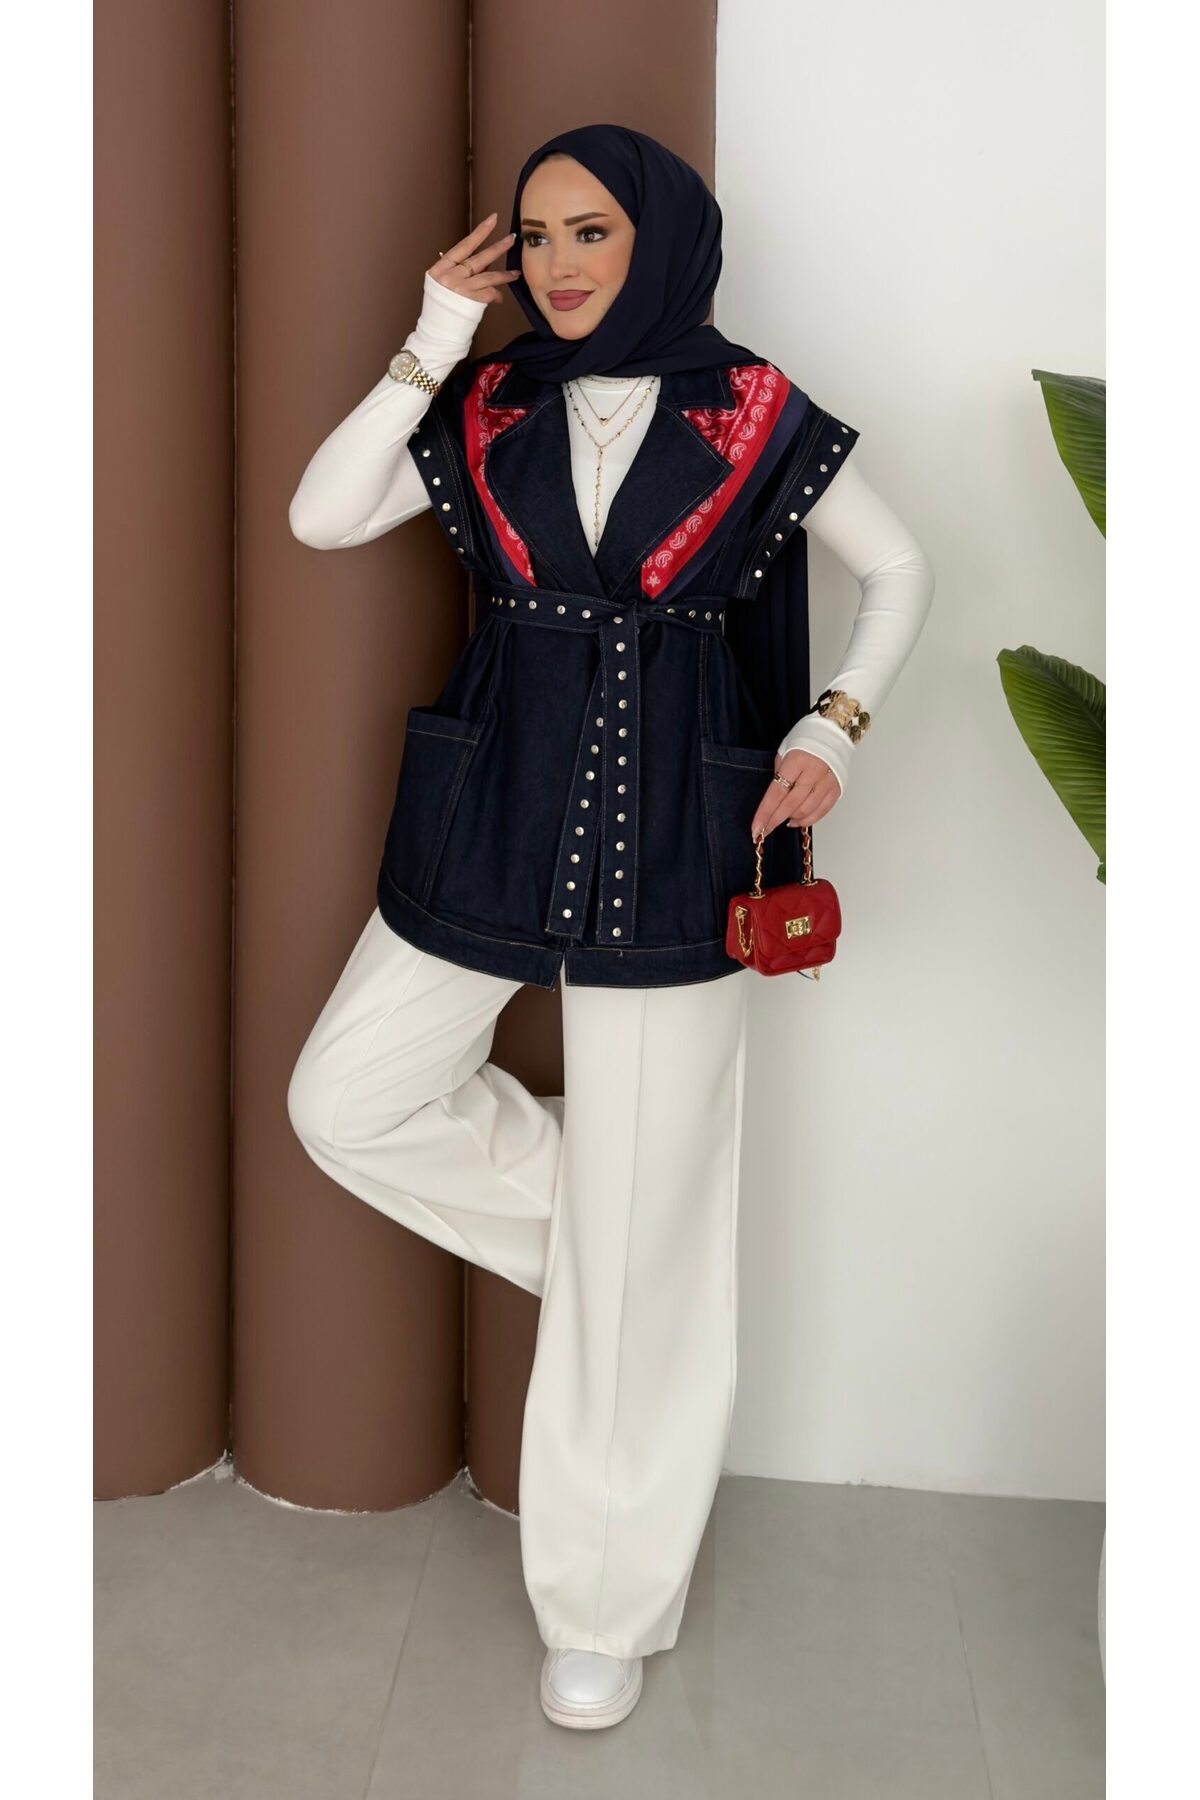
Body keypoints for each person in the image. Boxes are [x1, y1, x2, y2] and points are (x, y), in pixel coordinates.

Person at [286, 123, 935, 1730]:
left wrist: (837, 727)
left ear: (663, 240)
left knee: (645, 1243)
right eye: (538, 235)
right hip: (491, 803)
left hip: (685, 831)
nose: (562, 264)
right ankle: (636, 1258)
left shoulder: (753, 407)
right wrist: (437, 332)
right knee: (345, 1101)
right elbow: (324, 515)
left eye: (594, 232)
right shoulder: (491, 396)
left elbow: (903, 567)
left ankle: (603, 1607)